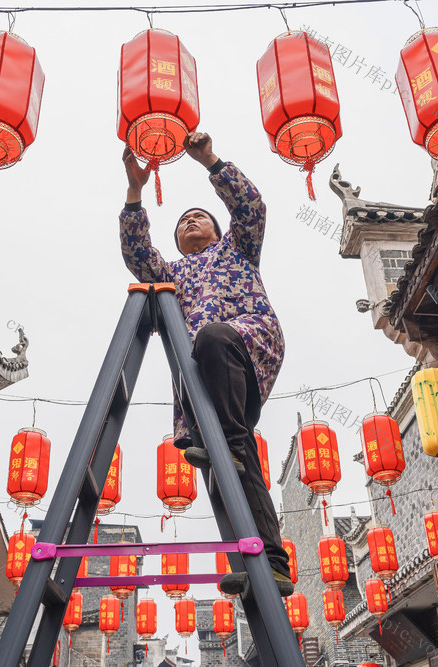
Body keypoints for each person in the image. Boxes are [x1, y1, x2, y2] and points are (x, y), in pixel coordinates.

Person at [119, 131, 292, 596]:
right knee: (228, 466)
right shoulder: (171, 275)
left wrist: (210, 160)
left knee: (213, 339)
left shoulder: (237, 249)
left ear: (217, 231)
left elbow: (251, 207)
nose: (191, 221)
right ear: (176, 241)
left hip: (247, 342)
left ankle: (228, 444)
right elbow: (138, 257)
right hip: (203, 384)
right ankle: (267, 562)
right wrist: (135, 191)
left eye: (200, 217)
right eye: (183, 222)